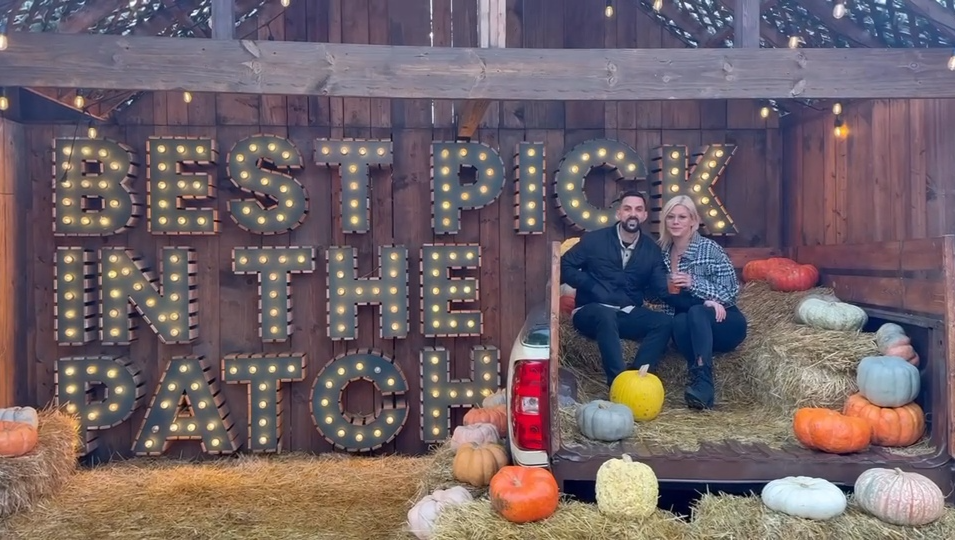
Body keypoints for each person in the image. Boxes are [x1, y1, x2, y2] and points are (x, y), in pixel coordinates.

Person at [560, 190, 673, 387]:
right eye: (627, 209)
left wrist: (683, 290)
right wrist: (591, 285)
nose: (633, 214)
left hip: (626, 313)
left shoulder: (651, 250)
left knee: (664, 322)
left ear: (644, 215)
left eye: (638, 209)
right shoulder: (595, 240)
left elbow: (659, 290)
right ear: (619, 213)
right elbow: (564, 265)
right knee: (605, 315)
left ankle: (636, 379)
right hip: (590, 311)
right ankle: (618, 382)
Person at [658, 195, 747, 410]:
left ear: (693, 221)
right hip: (690, 324)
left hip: (724, 321)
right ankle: (696, 378)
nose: (676, 222)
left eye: (682, 217)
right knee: (679, 321)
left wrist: (696, 286)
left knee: (697, 312)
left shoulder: (709, 249)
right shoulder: (662, 253)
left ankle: (705, 382)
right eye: (671, 217)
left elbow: (730, 291)